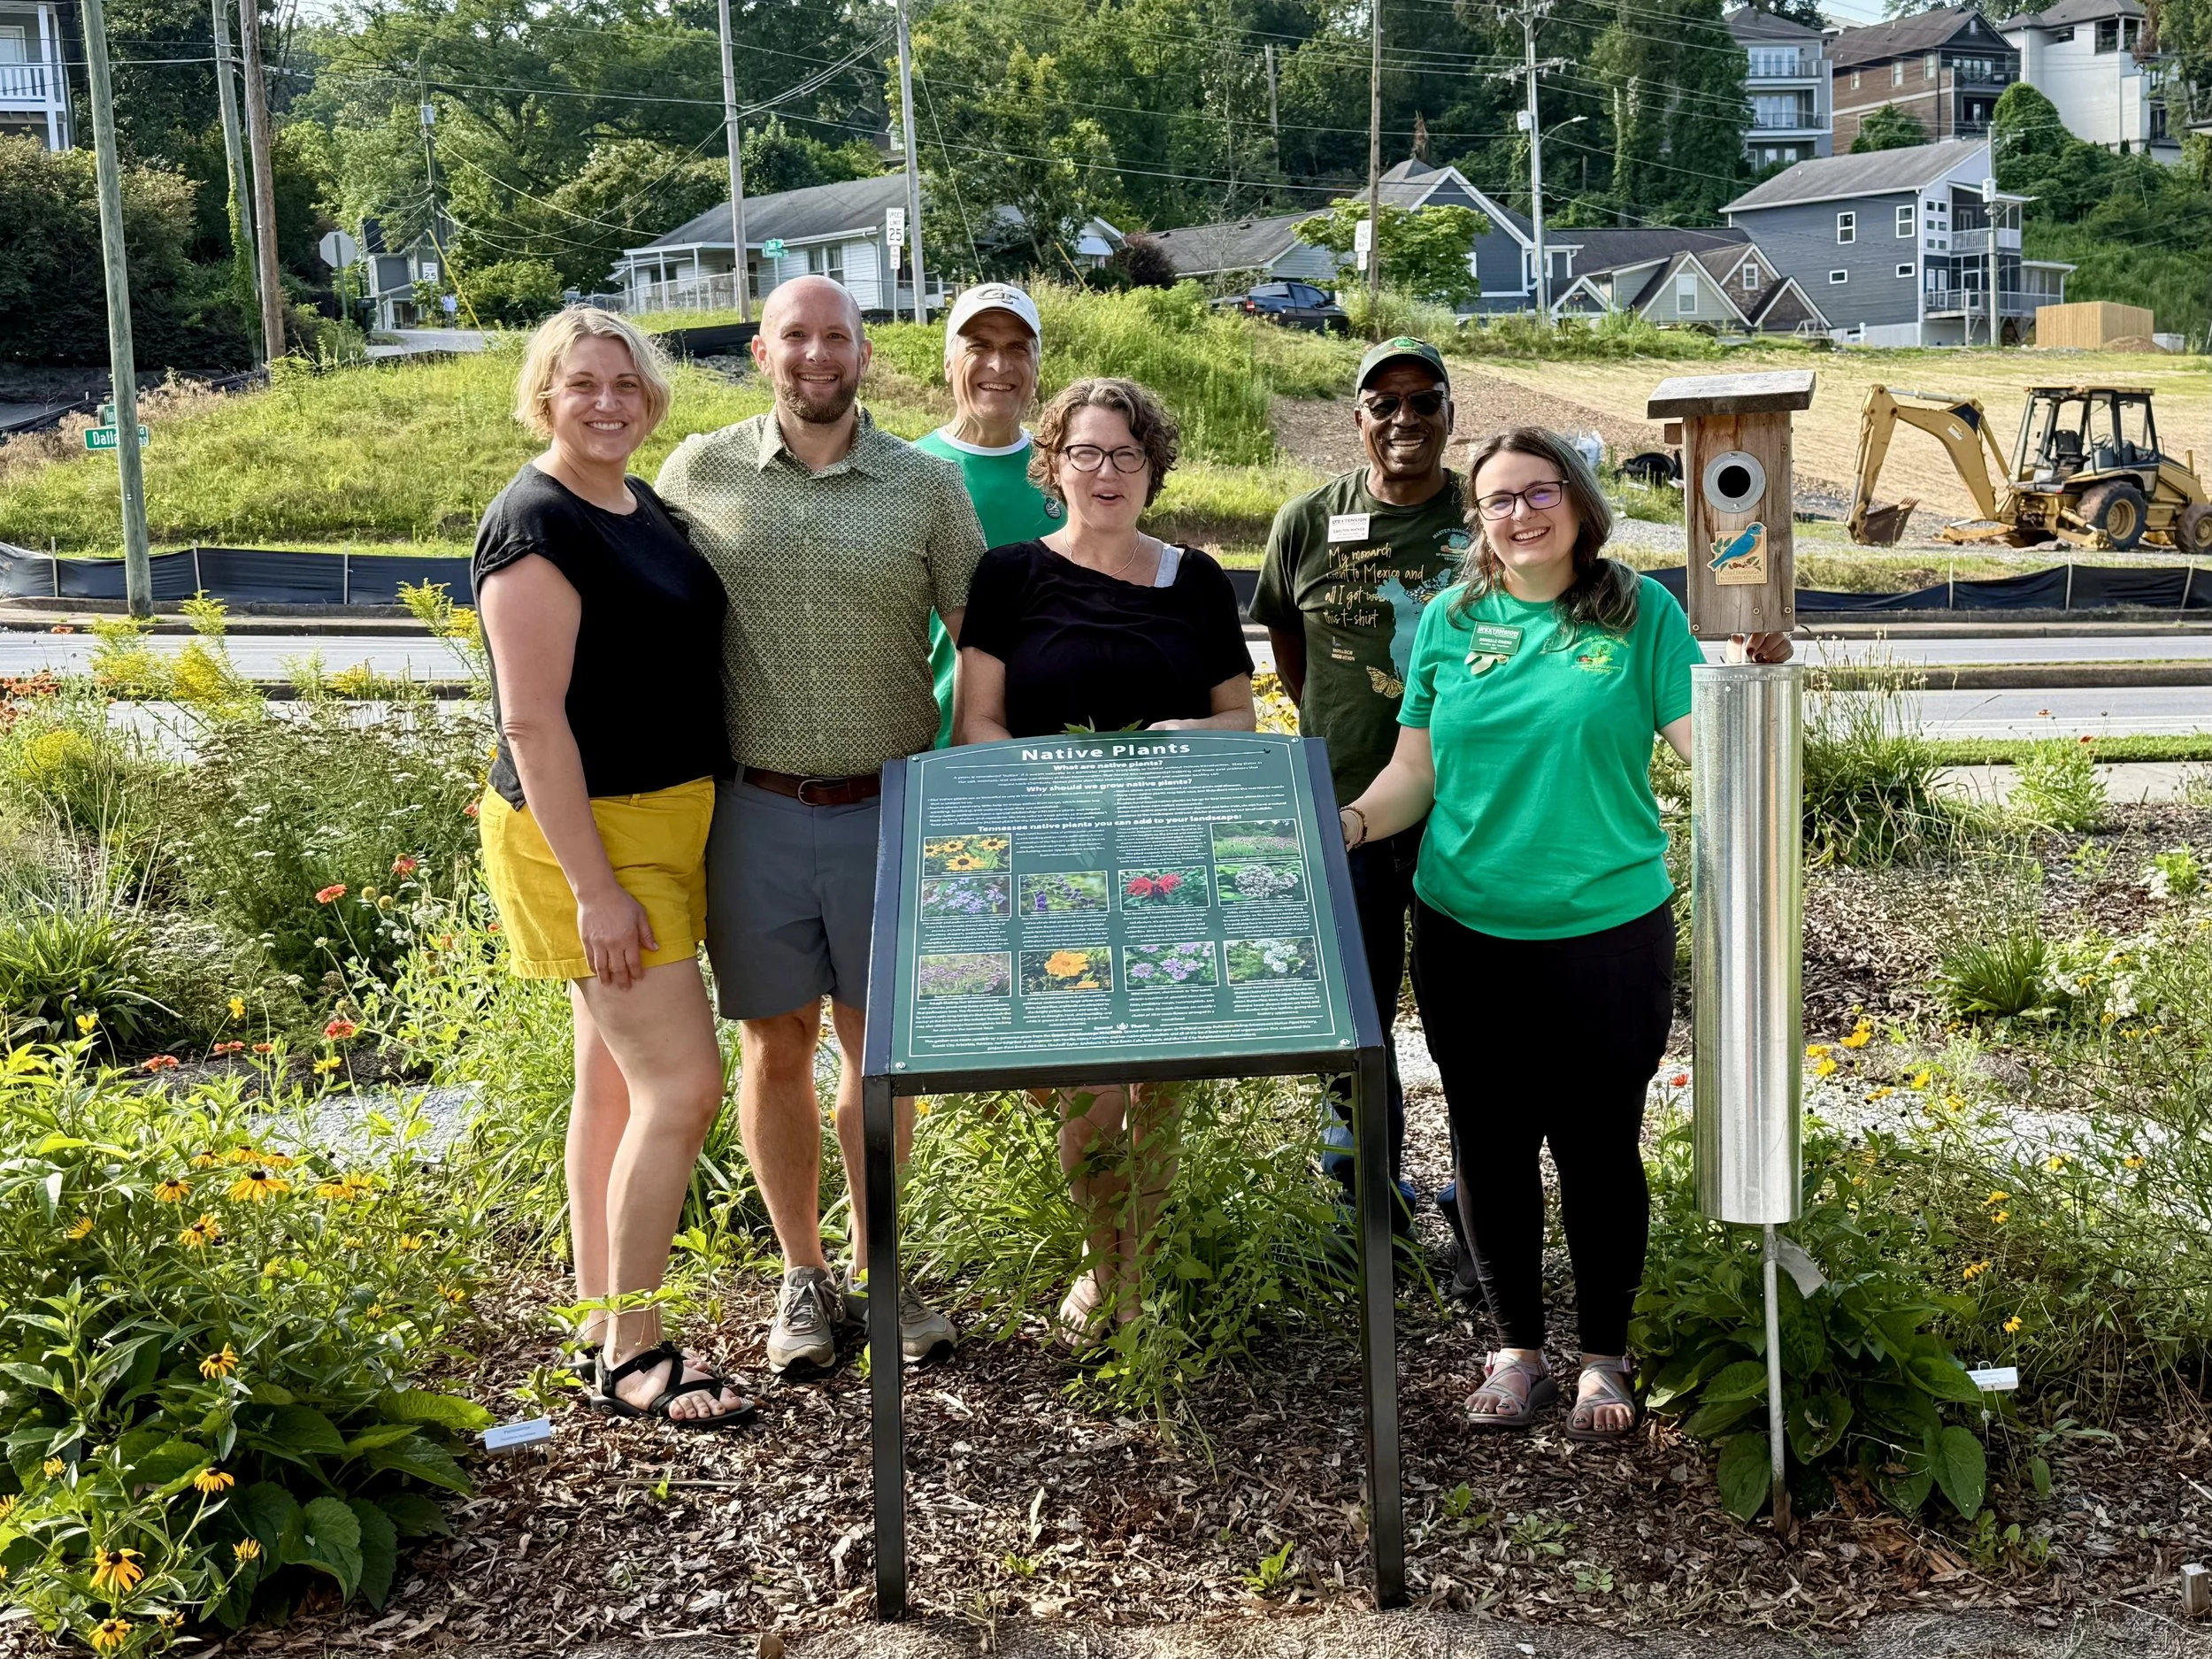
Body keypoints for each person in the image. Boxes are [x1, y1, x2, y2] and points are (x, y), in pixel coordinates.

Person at [1338, 427, 1790, 1440]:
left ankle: (1601, 1358)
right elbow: (1417, 772)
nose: (1520, 514)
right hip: (1465, 931)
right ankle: (1515, 1351)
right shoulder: (1454, 620)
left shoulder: (1641, 613)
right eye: (1498, 500)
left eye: (1539, 493)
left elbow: (1709, 750)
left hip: (1606, 932)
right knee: (1489, 1146)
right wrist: (1352, 824)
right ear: (1478, 522)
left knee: (1595, 1148)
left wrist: (1747, 684)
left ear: (1580, 504)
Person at [656, 276, 986, 1375]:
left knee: (878, 1056)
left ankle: (882, 1271)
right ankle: (803, 1280)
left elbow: (984, 640)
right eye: (794, 336)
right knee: (775, 1045)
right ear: (761, 351)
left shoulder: (927, 487)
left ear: (862, 353)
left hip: (890, 808)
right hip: (751, 807)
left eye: (834, 337)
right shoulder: (697, 470)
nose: (815, 355)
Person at [472, 308, 751, 1429]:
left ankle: (598, 1317)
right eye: (582, 383)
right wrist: (595, 890)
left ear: (652, 400)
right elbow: (534, 726)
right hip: (588, 835)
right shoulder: (535, 522)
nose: (606, 402)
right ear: (545, 394)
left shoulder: (639, 506)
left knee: (613, 1083)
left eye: (625, 385)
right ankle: (636, 1350)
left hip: (665, 821)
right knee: (684, 1089)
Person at [957, 376, 1256, 1348]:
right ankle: (1102, 1260)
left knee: (1161, 1079)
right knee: (1088, 1080)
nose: (1107, 472)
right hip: (1057, 866)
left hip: (1171, 861)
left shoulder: (1198, 580)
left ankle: (1141, 1273)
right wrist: (1066, 781)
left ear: (1152, 470)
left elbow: (1239, 722)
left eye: (1128, 455)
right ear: (1052, 465)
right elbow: (978, 729)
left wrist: (1179, 736)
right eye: (1085, 452)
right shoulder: (1006, 577)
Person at [1249, 335, 1463, 1242]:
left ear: (1450, 414)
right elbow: (1286, 643)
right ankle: (1365, 1198)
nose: (1404, 418)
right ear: (1357, 420)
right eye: (1385, 403)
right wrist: (1338, 732)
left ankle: (1477, 1196)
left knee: (1469, 1015)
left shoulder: (1486, 514)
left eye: (1423, 400)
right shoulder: (1306, 520)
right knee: (1355, 1014)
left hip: (1470, 812)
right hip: (1346, 813)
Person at [916, 283, 1063, 748]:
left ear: (1036, 369)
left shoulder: (1072, 470)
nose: (999, 365)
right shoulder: (905, 473)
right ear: (947, 364)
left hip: (1056, 742)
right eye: (979, 346)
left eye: (1017, 348)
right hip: (929, 743)